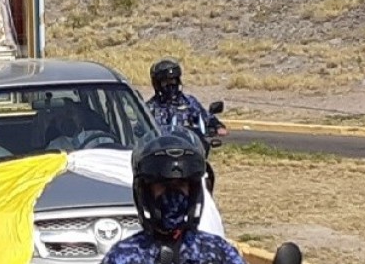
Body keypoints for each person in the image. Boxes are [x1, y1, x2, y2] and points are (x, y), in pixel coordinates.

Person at [100, 126, 245, 264]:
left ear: (193, 191)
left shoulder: (218, 254)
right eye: (163, 185)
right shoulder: (123, 256)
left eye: (180, 185)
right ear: (145, 192)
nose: (172, 194)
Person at [146, 59, 228, 139]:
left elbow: (205, 116)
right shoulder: (150, 107)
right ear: (157, 84)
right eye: (166, 82)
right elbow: (139, 127)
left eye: (173, 80)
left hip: (189, 147)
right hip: (161, 148)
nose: (170, 84)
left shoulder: (188, 102)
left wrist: (218, 126)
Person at [45, 107, 119, 151]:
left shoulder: (101, 138)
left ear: (80, 117)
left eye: (70, 113)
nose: (66, 119)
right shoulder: (53, 148)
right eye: (60, 117)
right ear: (56, 124)